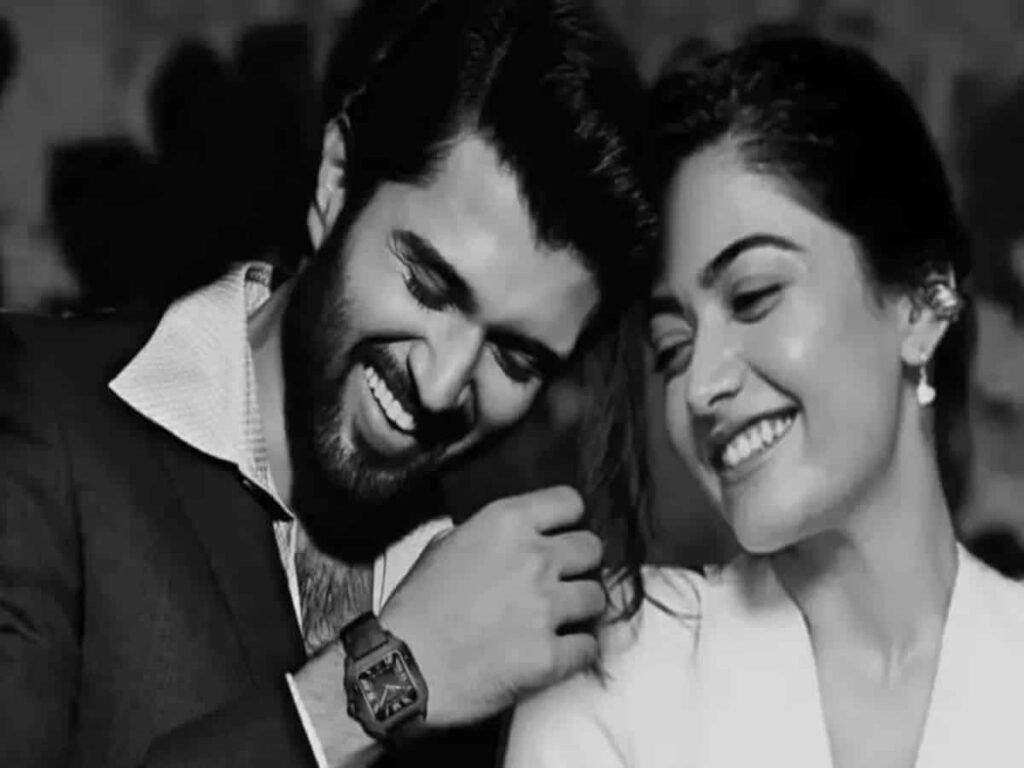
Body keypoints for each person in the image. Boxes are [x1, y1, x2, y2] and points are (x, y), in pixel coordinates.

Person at [0, 1, 654, 766]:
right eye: (428, 284)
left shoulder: (497, 590)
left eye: (514, 358)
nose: (441, 383)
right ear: (336, 185)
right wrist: (390, 677)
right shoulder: (38, 410)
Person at [505, 36, 1024, 768]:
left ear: (922, 303)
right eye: (673, 348)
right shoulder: (617, 674)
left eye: (752, 297)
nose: (700, 386)